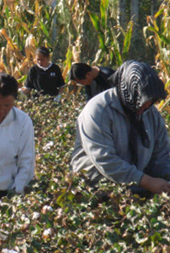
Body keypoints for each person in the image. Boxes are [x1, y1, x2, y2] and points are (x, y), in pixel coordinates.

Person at [71, 60, 170, 196]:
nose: (146, 105)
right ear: (128, 91)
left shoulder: (151, 114)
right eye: (142, 100)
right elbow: (105, 160)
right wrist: (146, 181)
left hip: (137, 181)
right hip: (96, 184)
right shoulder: (98, 111)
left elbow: (161, 155)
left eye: (151, 101)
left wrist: (165, 180)